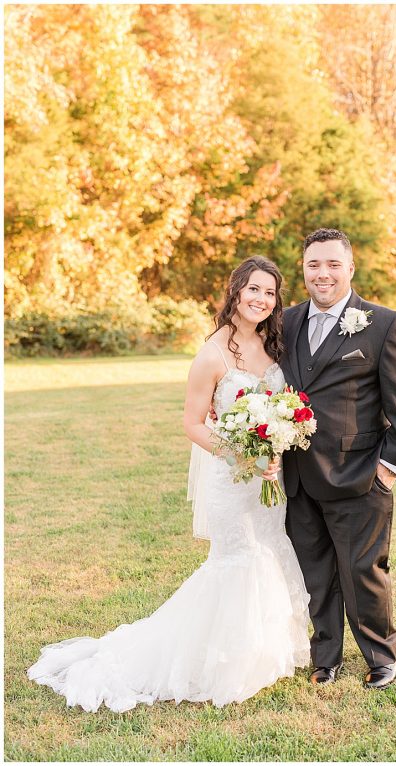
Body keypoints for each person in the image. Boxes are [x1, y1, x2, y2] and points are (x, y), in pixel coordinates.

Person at [28, 256, 311, 712]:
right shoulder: (212, 353)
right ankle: (225, 662)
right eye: (253, 289)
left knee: (271, 549)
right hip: (230, 477)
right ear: (235, 292)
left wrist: (274, 447)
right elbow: (191, 423)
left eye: (270, 292)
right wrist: (238, 452)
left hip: (267, 480)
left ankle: (266, 654)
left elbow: (280, 409)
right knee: (237, 560)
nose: (261, 299)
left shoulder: (272, 345)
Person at [281, 227, 396, 690]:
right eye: (313, 265)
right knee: (315, 571)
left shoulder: (384, 324)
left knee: (364, 572)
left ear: (350, 269)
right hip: (299, 475)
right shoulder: (285, 323)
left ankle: (381, 655)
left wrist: (388, 468)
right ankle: (326, 655)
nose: (322, 274)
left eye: (332, 264)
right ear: (303, 269)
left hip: (360, 475)